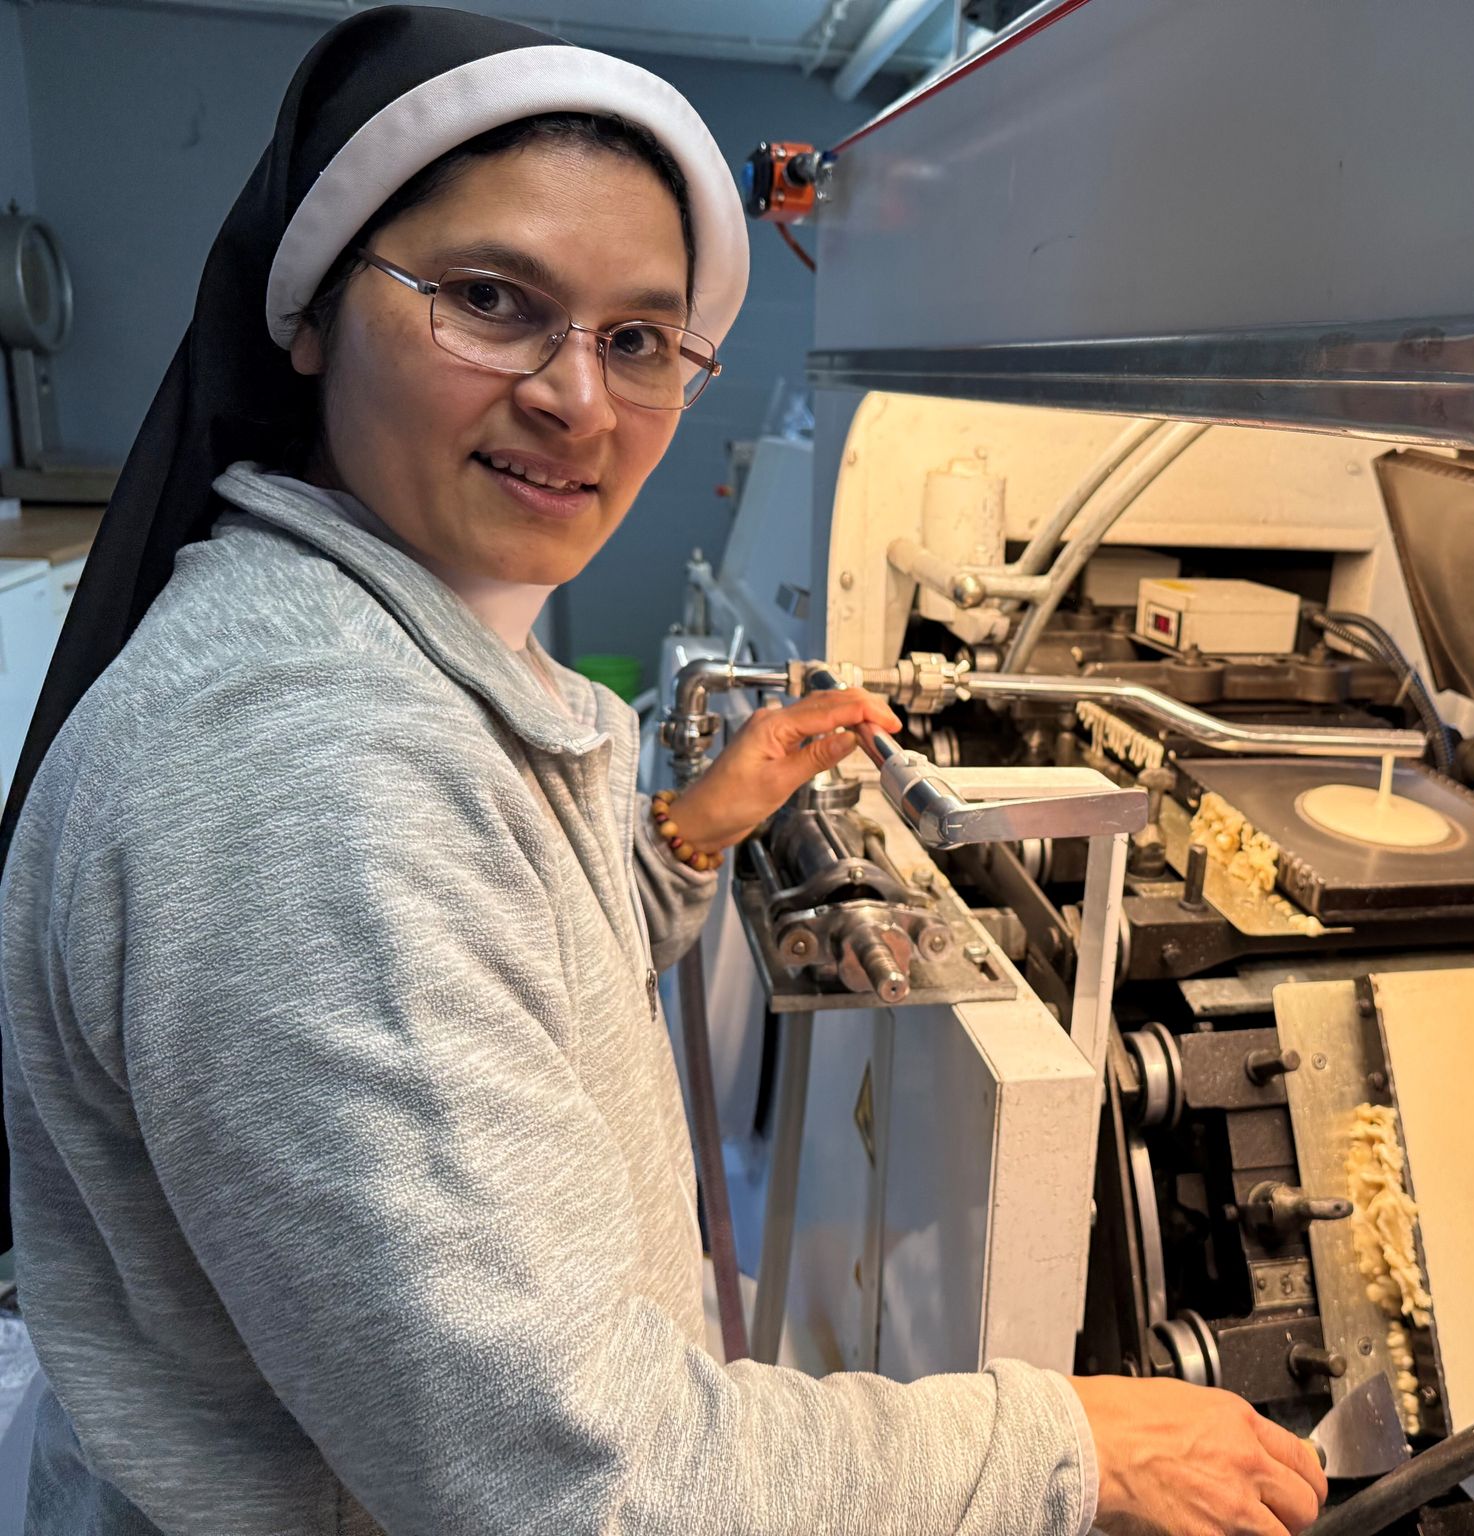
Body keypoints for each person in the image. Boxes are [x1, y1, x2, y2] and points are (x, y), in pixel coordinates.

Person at [0, 9, 1327, 1535]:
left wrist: (678, 846)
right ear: (309, 315)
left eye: (640, 338)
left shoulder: (403, 652)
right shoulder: (306, 781)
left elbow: (493, 981)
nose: (580, 400)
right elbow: (583, 1480)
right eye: (492, 300)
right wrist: (1064, 1447)